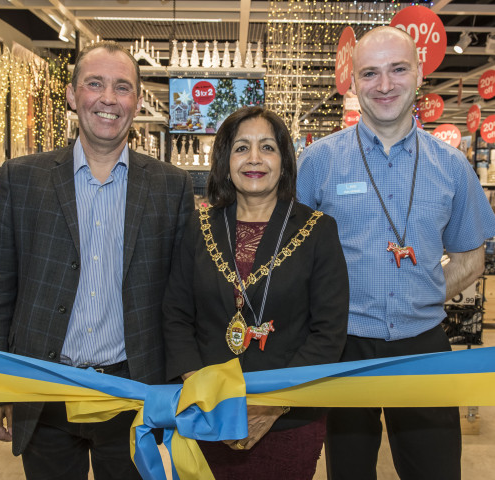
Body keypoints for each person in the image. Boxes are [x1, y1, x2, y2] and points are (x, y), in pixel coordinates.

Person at [0, 41, 194, 480]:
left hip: (132, 392)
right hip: (45, 386)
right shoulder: (23, 178)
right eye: (95, 84)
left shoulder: (172, 187)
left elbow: (181, 298)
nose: (109, 99)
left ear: (136, 100)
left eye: (122, 87)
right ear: (73, 96)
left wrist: (180, 385)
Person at [297, 26, 495, 480]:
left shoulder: (453, 166)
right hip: (342, 347)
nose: (384, 85)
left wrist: (422, 292)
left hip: (424, 346)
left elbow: (471, 258)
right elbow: (291, 258)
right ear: (352, 82)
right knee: (348, 471)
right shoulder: (318, 162)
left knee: (436, 469)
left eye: (397, 69)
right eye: (370, 73)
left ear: (419, 74)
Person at [162, 106, 349, 479]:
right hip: (209, 414)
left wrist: (271, 405)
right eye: (241, 148)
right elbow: (176, 314)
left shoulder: (317, 230)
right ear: (224, 160)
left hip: (289, 417)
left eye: (267, 147)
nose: (254, 159)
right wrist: (200, 390)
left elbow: (328, 332)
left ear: (284, 160)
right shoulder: (199, 227)